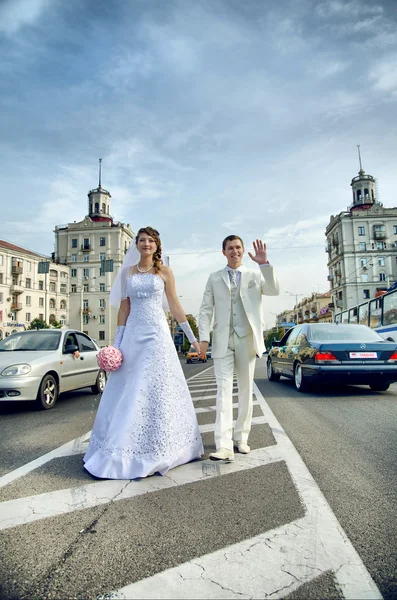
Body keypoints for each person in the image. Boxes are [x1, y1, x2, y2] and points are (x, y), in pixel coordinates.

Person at [84, 226, 204, 479]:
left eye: (150, 241)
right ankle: (123, 446)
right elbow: (124, 310)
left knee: (158, 387)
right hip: (134, 336)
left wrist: (193, 339)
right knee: (131, 386)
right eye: (142, 240)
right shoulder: (127, 272)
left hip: (158, 334)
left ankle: (163, 445)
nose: (146, 244)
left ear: (157, 245)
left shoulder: (165, 272)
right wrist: (116, 344)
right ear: (136, 245)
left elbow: (174, 306)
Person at [199, 236, 279, 461]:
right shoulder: (214, 278)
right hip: (223, 339)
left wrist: (264, 264)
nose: (234, 251)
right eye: (230, 248)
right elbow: (205, 309)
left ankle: (241, 438)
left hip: (247, 338)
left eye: (238, 248)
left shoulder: (254, 275)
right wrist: (203, 337)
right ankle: (223, 445)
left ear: (243, 251)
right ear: (223, 251)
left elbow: (273, 290)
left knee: (245, 390)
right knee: (223, 392)